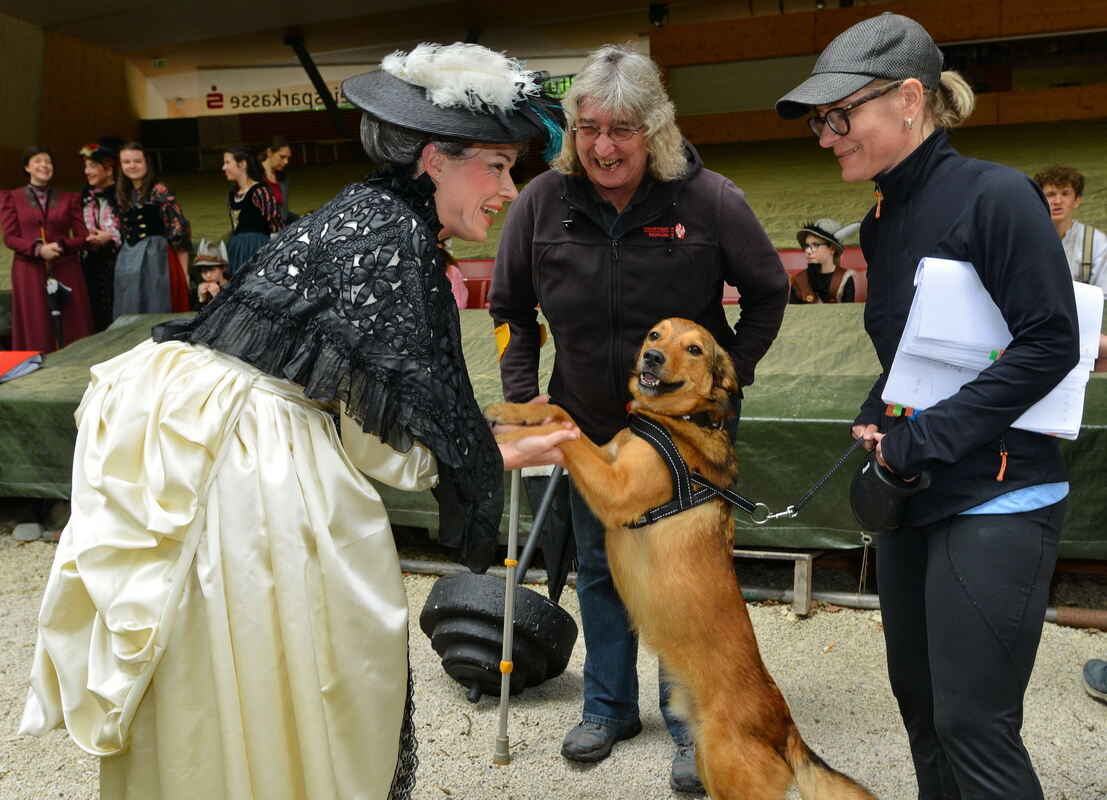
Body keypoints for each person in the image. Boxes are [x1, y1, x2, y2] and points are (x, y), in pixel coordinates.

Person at [19, 42, 572, 800]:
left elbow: (370, 390)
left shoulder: (362, 212)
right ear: (435, 160)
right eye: (499, 166)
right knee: (304, 659)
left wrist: (482, 435)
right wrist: (503, 456)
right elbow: (380, 433)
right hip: (248, 464)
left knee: (210, 668)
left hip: (199, 430)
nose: (509, 190)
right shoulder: (394, 242)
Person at [776, 12, 1080, 800]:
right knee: (922, 712)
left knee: (973, 726)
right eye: (820, 119)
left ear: (908, 99)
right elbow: (914, 351)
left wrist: (925, 436)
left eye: (838, 115)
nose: (825, 135)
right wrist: (882, 409)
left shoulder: (996, 195)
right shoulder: (878, 220)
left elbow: (1049, 343)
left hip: (1000, 494)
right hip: (916, 495)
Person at [490, 43, 788, 795]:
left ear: (655, 129)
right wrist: (525, 400)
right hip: (589, 419)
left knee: (684, 579)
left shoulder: (710, 199)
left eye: (621, 128)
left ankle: (689, 721)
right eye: (587, 127)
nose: (602, 145)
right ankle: (609, 705)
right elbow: (508, 312)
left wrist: (726, 377)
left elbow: (767, 294)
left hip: (685, 434)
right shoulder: (539, 203)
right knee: (600, 565)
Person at [1, 146, 94, 352]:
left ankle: (76, 358)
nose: (44, 165)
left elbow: (83, 238)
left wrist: (61, 246)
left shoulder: (69, 199)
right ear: (27, 167)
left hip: (65, 266)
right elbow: (10, 237)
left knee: (73, 319)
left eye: (48, 162)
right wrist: (37, 250)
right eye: (38, 161)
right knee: (35, 318)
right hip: (29, 269)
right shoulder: (11, 198)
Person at [113, 142, 192, 316]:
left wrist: (184, 272)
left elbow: (178, 229)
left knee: (158, 303)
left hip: (157, 257)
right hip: (130, 259)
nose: (132, 166)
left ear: (147, 163)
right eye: (126, 162)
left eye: (137, 161)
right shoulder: (125, 193)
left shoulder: (159, 190)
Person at [1033, 165, 1107, 294]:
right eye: (1050, 194)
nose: (1057, 201)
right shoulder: (1029, 240)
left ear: (1076, 200)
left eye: (1065, 193)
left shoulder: (1096, 241)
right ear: (1040, 200)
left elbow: (1103, 293)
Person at [79, 138, 123, 331]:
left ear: (109, 169)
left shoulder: (123, 196)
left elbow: (133, 229)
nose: (87, 171)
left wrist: (111, 236)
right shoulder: (85, 197)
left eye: (93, 166)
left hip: (118, 261)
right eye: (86, 166)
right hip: (93, 261)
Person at [222, 145, 284, 275]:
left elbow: (277, 226)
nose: (224, 167)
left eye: (228, 162)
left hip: (257, 248)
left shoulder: (259, 191)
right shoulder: (232, 194)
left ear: (242, 164)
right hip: (237, 249)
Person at [789, 218, 860, 303]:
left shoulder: (844, 279)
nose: (808, 251)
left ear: (832, 249)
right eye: (807, 246)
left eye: (815, 245)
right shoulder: (799, 280)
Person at [260, 135, 297, 224]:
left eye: (288, 158)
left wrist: (301, 218)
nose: (286, 162)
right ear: (269, 152)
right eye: (282, 157)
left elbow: (282, 212)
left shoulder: (283, 179)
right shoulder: (253, 176)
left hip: (280, 229)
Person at [193, 237, 229, 304]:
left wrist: (218, 297)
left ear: (223, 268)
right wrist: (202, 299)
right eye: (204, 271)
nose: (208, 275)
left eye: (212, 270)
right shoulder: (202, 288)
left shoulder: (232, 286)